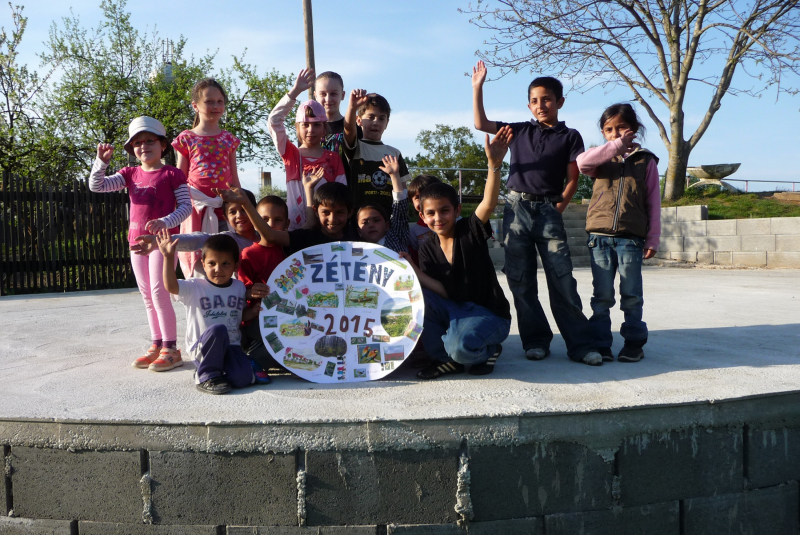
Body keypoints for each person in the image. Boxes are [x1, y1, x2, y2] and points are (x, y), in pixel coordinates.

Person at [471, 60, 603, 366]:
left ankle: (581, 345)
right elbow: (481, 124)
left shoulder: (570, 136)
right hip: (515, 210)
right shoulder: (518, 131)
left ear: (559, 102)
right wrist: (478, 88)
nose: (540, 105)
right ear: (528, 105)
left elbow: (573, 178)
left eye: (546, 100)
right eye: (534, 101)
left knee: (562, 279)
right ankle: (535, 340)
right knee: (520, 280)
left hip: (548, 210)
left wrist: (558, 207)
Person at [403, 127, 514, 379]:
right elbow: (441, 291)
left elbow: (489, 202)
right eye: (430, 213)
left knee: (461, 348)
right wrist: (413, 268)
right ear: (422, 216)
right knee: (420, 299)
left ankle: (488, 349)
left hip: (487, 313)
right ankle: (445, 361)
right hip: (455, 309)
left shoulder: (469, 230)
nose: (438, 218)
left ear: (457, 210)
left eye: (444, 210)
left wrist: (494, 165)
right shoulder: (428, 248)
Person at [89, 116, 191, 371]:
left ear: (163, 145)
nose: (143, 146)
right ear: (132, 149)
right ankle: (156, 344)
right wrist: (101, 162)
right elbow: (97, 186)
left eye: (149, 141)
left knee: (159, 292)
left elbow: (186, 208)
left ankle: (171, 348)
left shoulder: (172, 173)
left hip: (162, 244)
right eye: (137, 143)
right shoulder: (129, 174)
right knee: (147, 295)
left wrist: (165, 222)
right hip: (136, 243)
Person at [577, 103, 661, 363]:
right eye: (608, 129)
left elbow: (653, 203)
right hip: (600, 239)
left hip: (631, 240)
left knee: (632, 295)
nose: (615, 133)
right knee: (602, 296)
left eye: (621, 127)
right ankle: (601, 343)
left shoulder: (646, 160)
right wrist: (614, 147)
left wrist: (653, 237)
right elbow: (581, 163)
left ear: (634, 129)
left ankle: (634, 343)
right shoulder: (601, 157)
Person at [157, 231, 257, 394]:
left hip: (231, 346)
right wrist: (168, 258)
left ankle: (220, 373)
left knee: (243, 379)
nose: (218, 269)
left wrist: (252, 312)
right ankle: (206, 375)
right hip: (203, 348)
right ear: (203, 264)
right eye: (212, 263)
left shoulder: (239, 287)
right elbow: (171, 286)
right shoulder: (195, 286)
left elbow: (237, 315)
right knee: (218, 330)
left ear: (235, 266)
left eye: (225, 263)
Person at [172, 78, 241, 277]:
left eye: (220, 101)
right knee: (197, 253)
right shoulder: (187, 138)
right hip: (196, 207)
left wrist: (241, 203)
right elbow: (180, 177)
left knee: (225, 249)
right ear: (195, 106)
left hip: (224, 206)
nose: (215, 106)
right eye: (209, 101)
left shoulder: (229, 139)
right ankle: (200, 293)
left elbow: (234, 177)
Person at [269, 68, 347, 230]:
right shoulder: (290, 153)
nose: (311, 130)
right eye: (305, 125)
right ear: (297, 128)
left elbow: (341, 193)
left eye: (316, 125)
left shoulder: (333, 158)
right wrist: (295, 91)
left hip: (326, 229)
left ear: (324, 129)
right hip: (295, 229)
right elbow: (274, 121)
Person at [132, 189, 261, 279]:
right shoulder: (228, 240)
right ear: (226, 218)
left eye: (244, 209)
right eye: (233, 212)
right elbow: (198, 239)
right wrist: (158, 240)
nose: (239, 216)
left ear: (254, 211)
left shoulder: (268, 237)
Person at [216, 177, 357, 256]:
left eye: (339, 213)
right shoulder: (305, 238)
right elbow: (270, 235)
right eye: (326, 212)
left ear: (350, 213)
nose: (332, 219)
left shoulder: (358, 239)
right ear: (316, 211)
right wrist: (246, 203)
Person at [238, 195, 290, 381]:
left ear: (287, 223)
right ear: (255, 221)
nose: (270, 224)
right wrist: (249, 292)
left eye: (277, 220)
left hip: (287, 317)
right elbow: (238, 293)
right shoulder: (248, 254)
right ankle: (250, 357)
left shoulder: (290, 252)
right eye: (264, 219)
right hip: (257, 321)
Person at [343, 89, 411, 220]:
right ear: (359, 120)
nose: (376, 122)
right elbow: (348, 130)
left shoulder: (394, 153)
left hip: (388, 222)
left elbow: (403, 191)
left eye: (381, 118)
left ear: (387, 123)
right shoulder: (356, 147)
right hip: (359, 222)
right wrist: (352, 107)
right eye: (371, 117)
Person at [354, 155, 410, 253]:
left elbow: (400, 208)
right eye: (365, 222)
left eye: (376, 220)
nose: (371, 225)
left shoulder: (396, 236)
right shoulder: (355, 251)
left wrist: (394, 175)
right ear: (359, 231)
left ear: (387, 225)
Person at [407, 174, 442, 263]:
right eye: (418, 197)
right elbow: (415, 257)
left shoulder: (455, 221)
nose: (424, 201)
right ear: (412, 202)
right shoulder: (413, 231)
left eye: (428, 195)